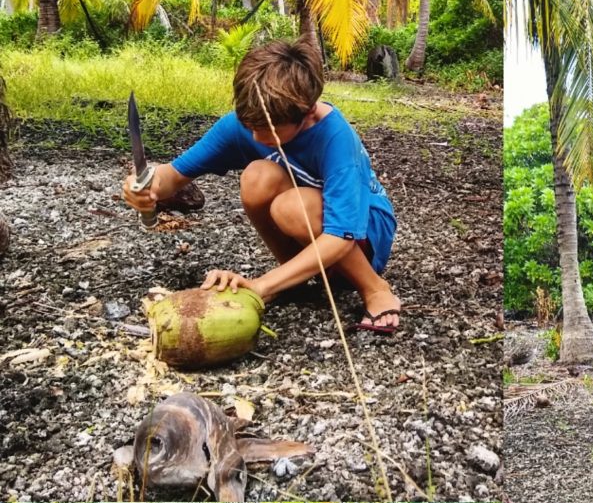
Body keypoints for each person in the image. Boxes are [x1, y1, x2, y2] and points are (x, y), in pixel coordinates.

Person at [121, 38, 401, 331]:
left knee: (292, 207)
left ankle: (375, 289)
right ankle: (294, 278)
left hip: (363, 232)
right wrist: (144, 186)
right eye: (250, 126)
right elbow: (173, 177)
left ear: (306, 113)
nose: (256, 137)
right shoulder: (247, 123)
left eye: (268, 131)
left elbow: (341, 235)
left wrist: (261, 286)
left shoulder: (335, 137)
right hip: (313, 234)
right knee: (257, 176)